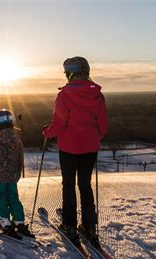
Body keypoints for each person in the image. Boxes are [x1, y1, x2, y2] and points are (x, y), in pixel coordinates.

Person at [43, 56, 108, 247]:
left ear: (70, 73)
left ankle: (70, 225)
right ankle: (90, 226)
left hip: (69, 148)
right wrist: (95, 137)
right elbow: (103, 125)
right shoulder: (97, 95)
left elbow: (59, 124)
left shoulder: (64, 96)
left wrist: (48, 132)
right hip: (90, 147)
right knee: (85, 185)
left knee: (69, 185)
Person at [0, 109, 34, 238]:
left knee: (1, 198)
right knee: (13, 198)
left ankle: (5, 222)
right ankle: (19, 222)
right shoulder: (17, 139)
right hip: (12, 176)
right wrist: (18, 171)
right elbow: (20, 157)